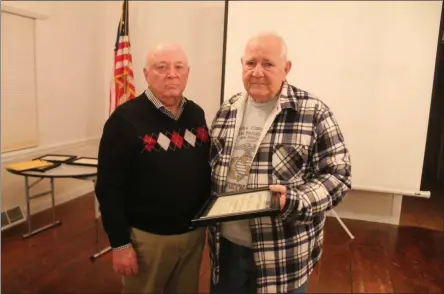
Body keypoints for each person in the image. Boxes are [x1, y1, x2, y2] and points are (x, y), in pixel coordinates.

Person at [208, 32, 352, 294]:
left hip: (282, 256)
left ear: (286, 68)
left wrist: (296, 199)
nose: (257, 72)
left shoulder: (313, 112)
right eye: (251, 63)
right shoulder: (227, 110)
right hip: (227, 250)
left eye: (268, 64)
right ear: (242, 64)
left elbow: (338, 175)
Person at [95, 43, 211, 294]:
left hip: (192, 236)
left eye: (179, 67)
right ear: (146, 74)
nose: (172, 74)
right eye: (162, 67)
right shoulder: (123, 121)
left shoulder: (196, 114)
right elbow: (108, 188)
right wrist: (120, 245)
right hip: (147, 241)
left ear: (187, 73)